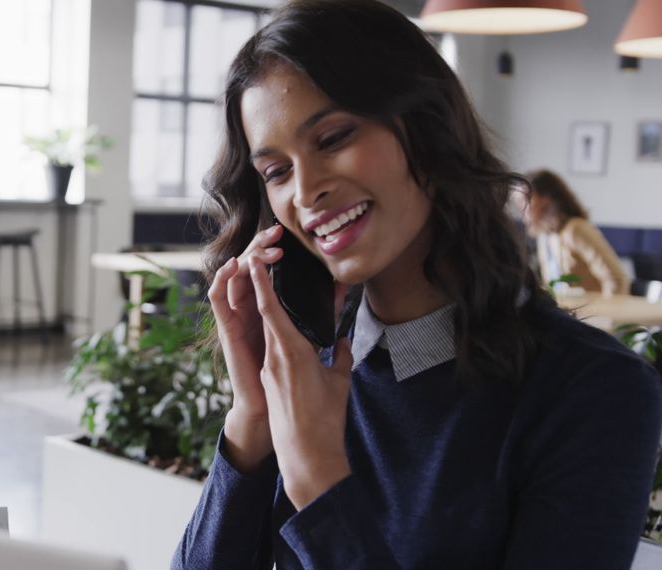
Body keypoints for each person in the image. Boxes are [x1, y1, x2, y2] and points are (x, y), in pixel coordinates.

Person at [172, 1, 662, 569]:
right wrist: (252, 420)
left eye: (332, 138)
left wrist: (320, 483)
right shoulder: (313, 367)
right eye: (276, 171)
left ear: (426, 126)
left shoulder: (594, 391)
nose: (305, 192)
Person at [524, 168, 630, 295]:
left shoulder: (576, 229)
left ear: (546, 199)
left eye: (526, 198)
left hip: (590, 312)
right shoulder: (545, 236)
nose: (520, 206)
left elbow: (617, 280)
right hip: (563, 311)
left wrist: (606, 313)